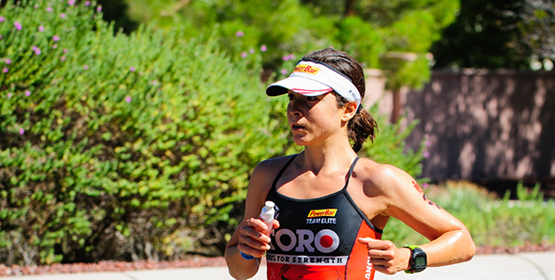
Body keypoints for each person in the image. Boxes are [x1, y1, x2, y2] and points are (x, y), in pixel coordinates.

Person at [224, 47, 475, 280]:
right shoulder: (268, 175)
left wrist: (409, 257)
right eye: (292, 98)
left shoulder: (376, 181)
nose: (295, 109)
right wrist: (247, 251)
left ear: (348, 109)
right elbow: (240, 271)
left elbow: (463, 241)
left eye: (310, 99)